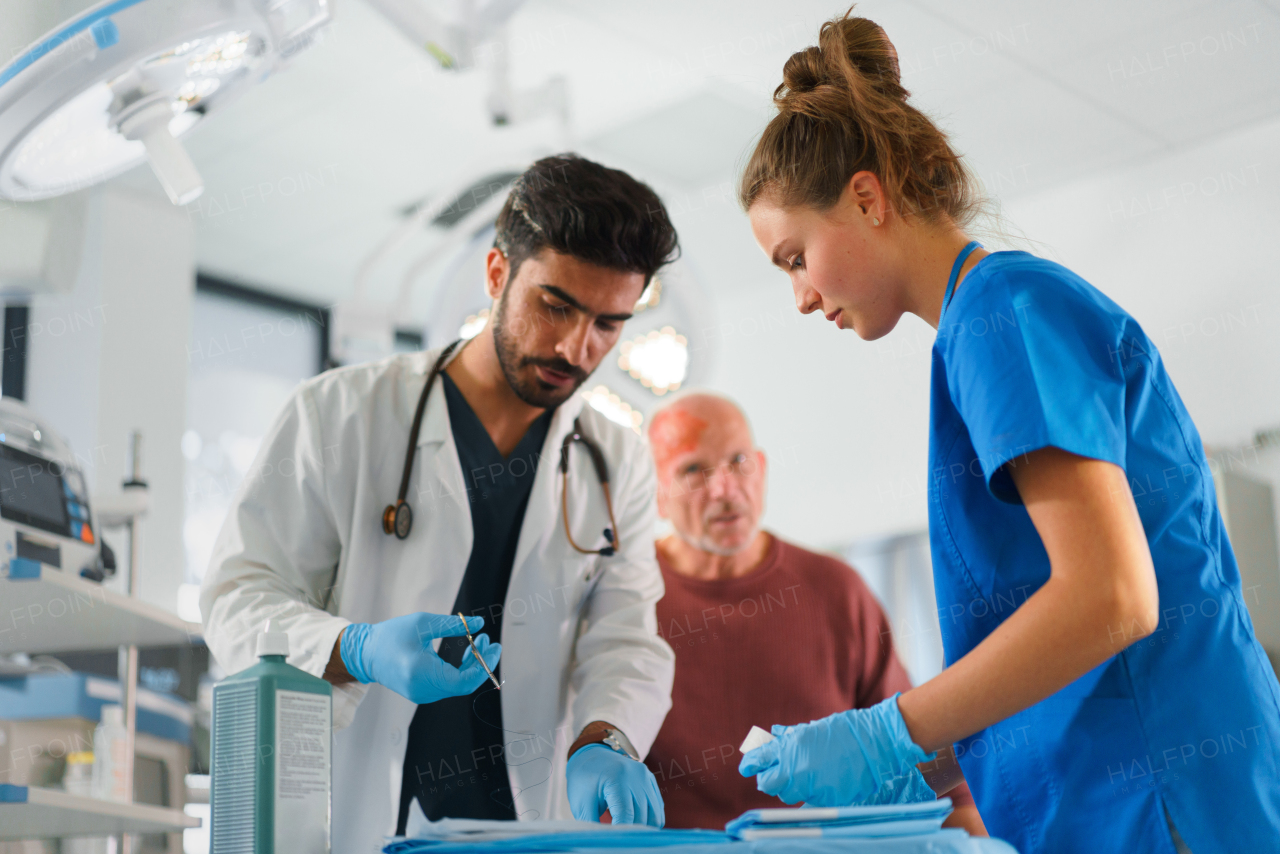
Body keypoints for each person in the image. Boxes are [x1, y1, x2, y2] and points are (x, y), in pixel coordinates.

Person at [733, 11, 1280, 854]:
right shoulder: (976, 331)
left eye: (794, 257)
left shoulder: (1002, 312)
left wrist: (890, 731)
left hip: (1160, 801)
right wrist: (926, 766)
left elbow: (1113, 596)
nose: (801, 296)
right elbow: (1050, 627)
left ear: (867, 198)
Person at [201, 154, 678, 852]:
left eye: (609, 323)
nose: (577, 348)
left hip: (523, 827)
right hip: (352, 817)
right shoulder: (339, 414)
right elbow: (234, 600)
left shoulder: (618, 460)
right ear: (496, 274)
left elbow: (625, 632)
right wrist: (353, 649)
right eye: (556, 306)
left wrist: (605, 736)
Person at [641, 392, 986, 836]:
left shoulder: (836, 590)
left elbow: (932, 775)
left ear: (762, 469)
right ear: (654, 496)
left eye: (738, 461)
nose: (725, 488)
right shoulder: (626, 602)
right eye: (693, 470)